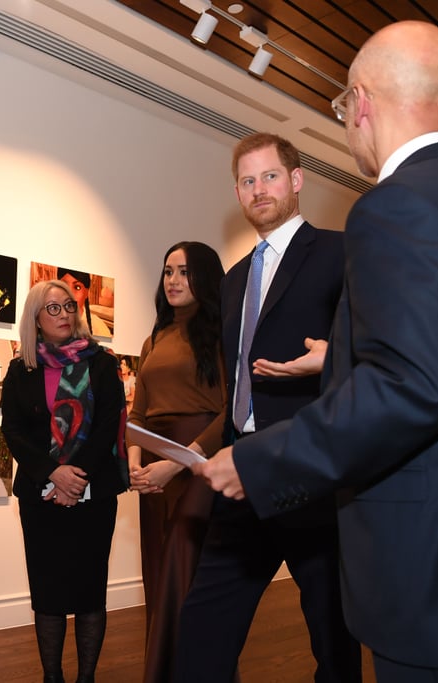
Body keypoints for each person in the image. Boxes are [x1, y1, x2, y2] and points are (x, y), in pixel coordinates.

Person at [193, 21, 438, 683]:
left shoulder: (396, 208)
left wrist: (255, 459)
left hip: (436, 568)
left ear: (360, 104)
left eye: (343, 109)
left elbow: (411, 389)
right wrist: (337, 364)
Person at [174, 134, 360, 683]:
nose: (259, 190)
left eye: (270, 176)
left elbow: (383, 356)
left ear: (296, 181)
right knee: (202, 633)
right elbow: (235, 387)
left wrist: (334, 359)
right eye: (248, 181)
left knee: (333, 640)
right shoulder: (233, 281)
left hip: (311, 474)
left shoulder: (339, 252)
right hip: (243, 474)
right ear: (237, 191)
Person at [0, 279, 128, 683]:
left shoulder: (103, 363)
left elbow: (108, 426)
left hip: (95, 493)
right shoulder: (22, 369)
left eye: (69, 306)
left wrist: (75, 478)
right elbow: (13, 430)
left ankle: (86, 677)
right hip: (40, 496)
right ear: (35, 318)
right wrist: (53, 472)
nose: (64, 314)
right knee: (49, 595)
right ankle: (51, 677)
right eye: (53, 308)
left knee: (91, 591)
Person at [125, 242, 229, 682]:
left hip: (199, 462)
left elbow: (231, 414)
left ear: (203, 278)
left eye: (184, 272)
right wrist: (134, 461)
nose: (172, 280)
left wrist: (177, 464)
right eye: (168, 271)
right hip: (152, 465)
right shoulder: (154, 338)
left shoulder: (223, 333)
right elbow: (137, 414)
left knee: (182, 571)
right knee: (158, 570)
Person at [57, 267, 113, 338]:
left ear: (86, 293)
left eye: (77, 287)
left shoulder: (98, 327)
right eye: (64, 286)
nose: (69, 294)